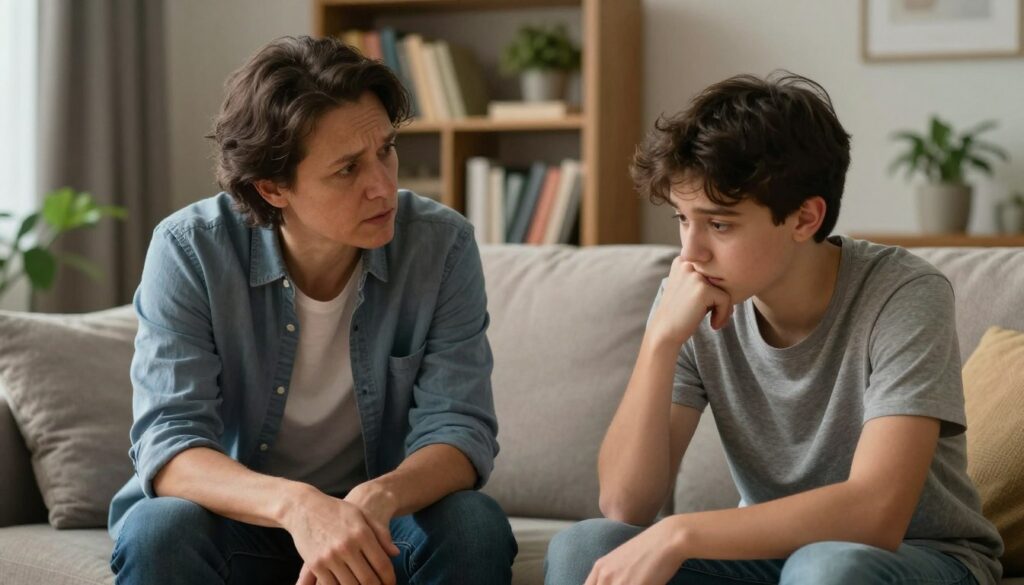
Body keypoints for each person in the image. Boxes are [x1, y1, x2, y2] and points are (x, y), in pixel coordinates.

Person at [544, 72, 1003, 585]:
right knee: (585, 547)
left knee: (826, 568)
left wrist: (681, 533)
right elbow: (625, 503)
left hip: (915, 555)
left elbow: (876, 514)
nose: (690, 253)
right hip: (770, 557)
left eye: (719, 225)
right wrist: (660, 342)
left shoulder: (903, 293)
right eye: (682, 219)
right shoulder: (691, 295)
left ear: (805, 219)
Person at [107, 35, 516, 585]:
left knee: (472, 524)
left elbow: (460, 429)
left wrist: (378, 498)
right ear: (273, 188)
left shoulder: (441, 246)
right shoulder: (190, 249)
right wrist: (299, 507)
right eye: (348, 170)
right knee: (157, 531)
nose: (384, 187)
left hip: (376, 526)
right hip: (243, 520)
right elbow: (171, 441)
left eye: (386, 151)